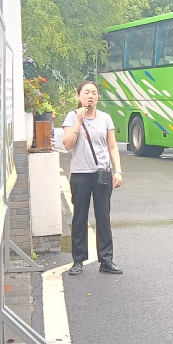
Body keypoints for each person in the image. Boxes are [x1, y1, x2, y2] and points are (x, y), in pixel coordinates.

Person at [62, 80, 123, 275]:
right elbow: (68, 144)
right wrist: (79, 122)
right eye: (86, 92)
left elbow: (112, 146)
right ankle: (78, 260)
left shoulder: (105, 118)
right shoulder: (72, 117)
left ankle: (106, 260)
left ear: (98, 97)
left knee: (103, 216)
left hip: (102, 173)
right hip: (80, 174)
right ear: (78, 96)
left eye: (94, 93)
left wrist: (118, 170)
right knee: (80, 216)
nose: (90, 96)